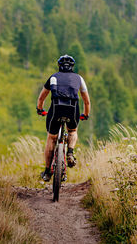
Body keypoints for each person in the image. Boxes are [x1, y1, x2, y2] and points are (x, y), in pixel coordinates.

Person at [36, 54, 91, 182]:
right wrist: (86, 114)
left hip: (56, 109)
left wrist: (40, 109)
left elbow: (41, 98)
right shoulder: (79, 79)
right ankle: (70, 152)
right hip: (72, 109)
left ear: (59, 65)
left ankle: (47, 171)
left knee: (51, 137)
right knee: (72, 130)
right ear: (72, 66)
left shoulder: (53, 77)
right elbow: (86, 101)